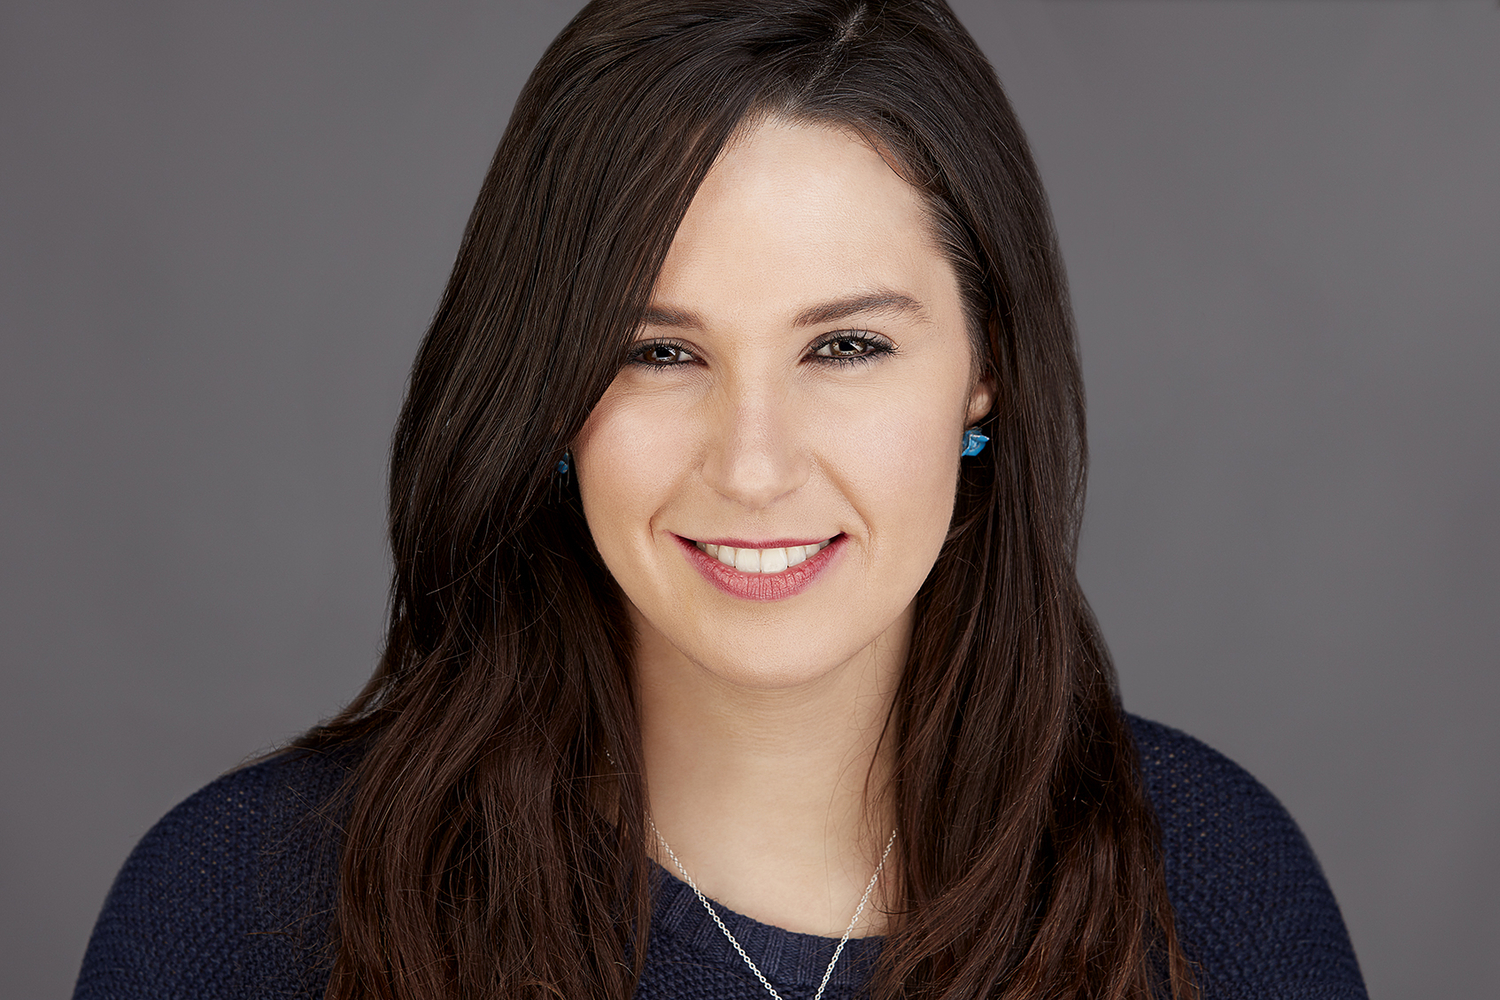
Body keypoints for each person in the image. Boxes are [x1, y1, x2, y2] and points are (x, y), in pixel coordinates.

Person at [74, 2, 1367, 998]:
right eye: (659, 352)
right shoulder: (241, 912)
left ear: (987, 370)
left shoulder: (1215, 889)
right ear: (549, 388)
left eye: (846, 347)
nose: (752, 467)